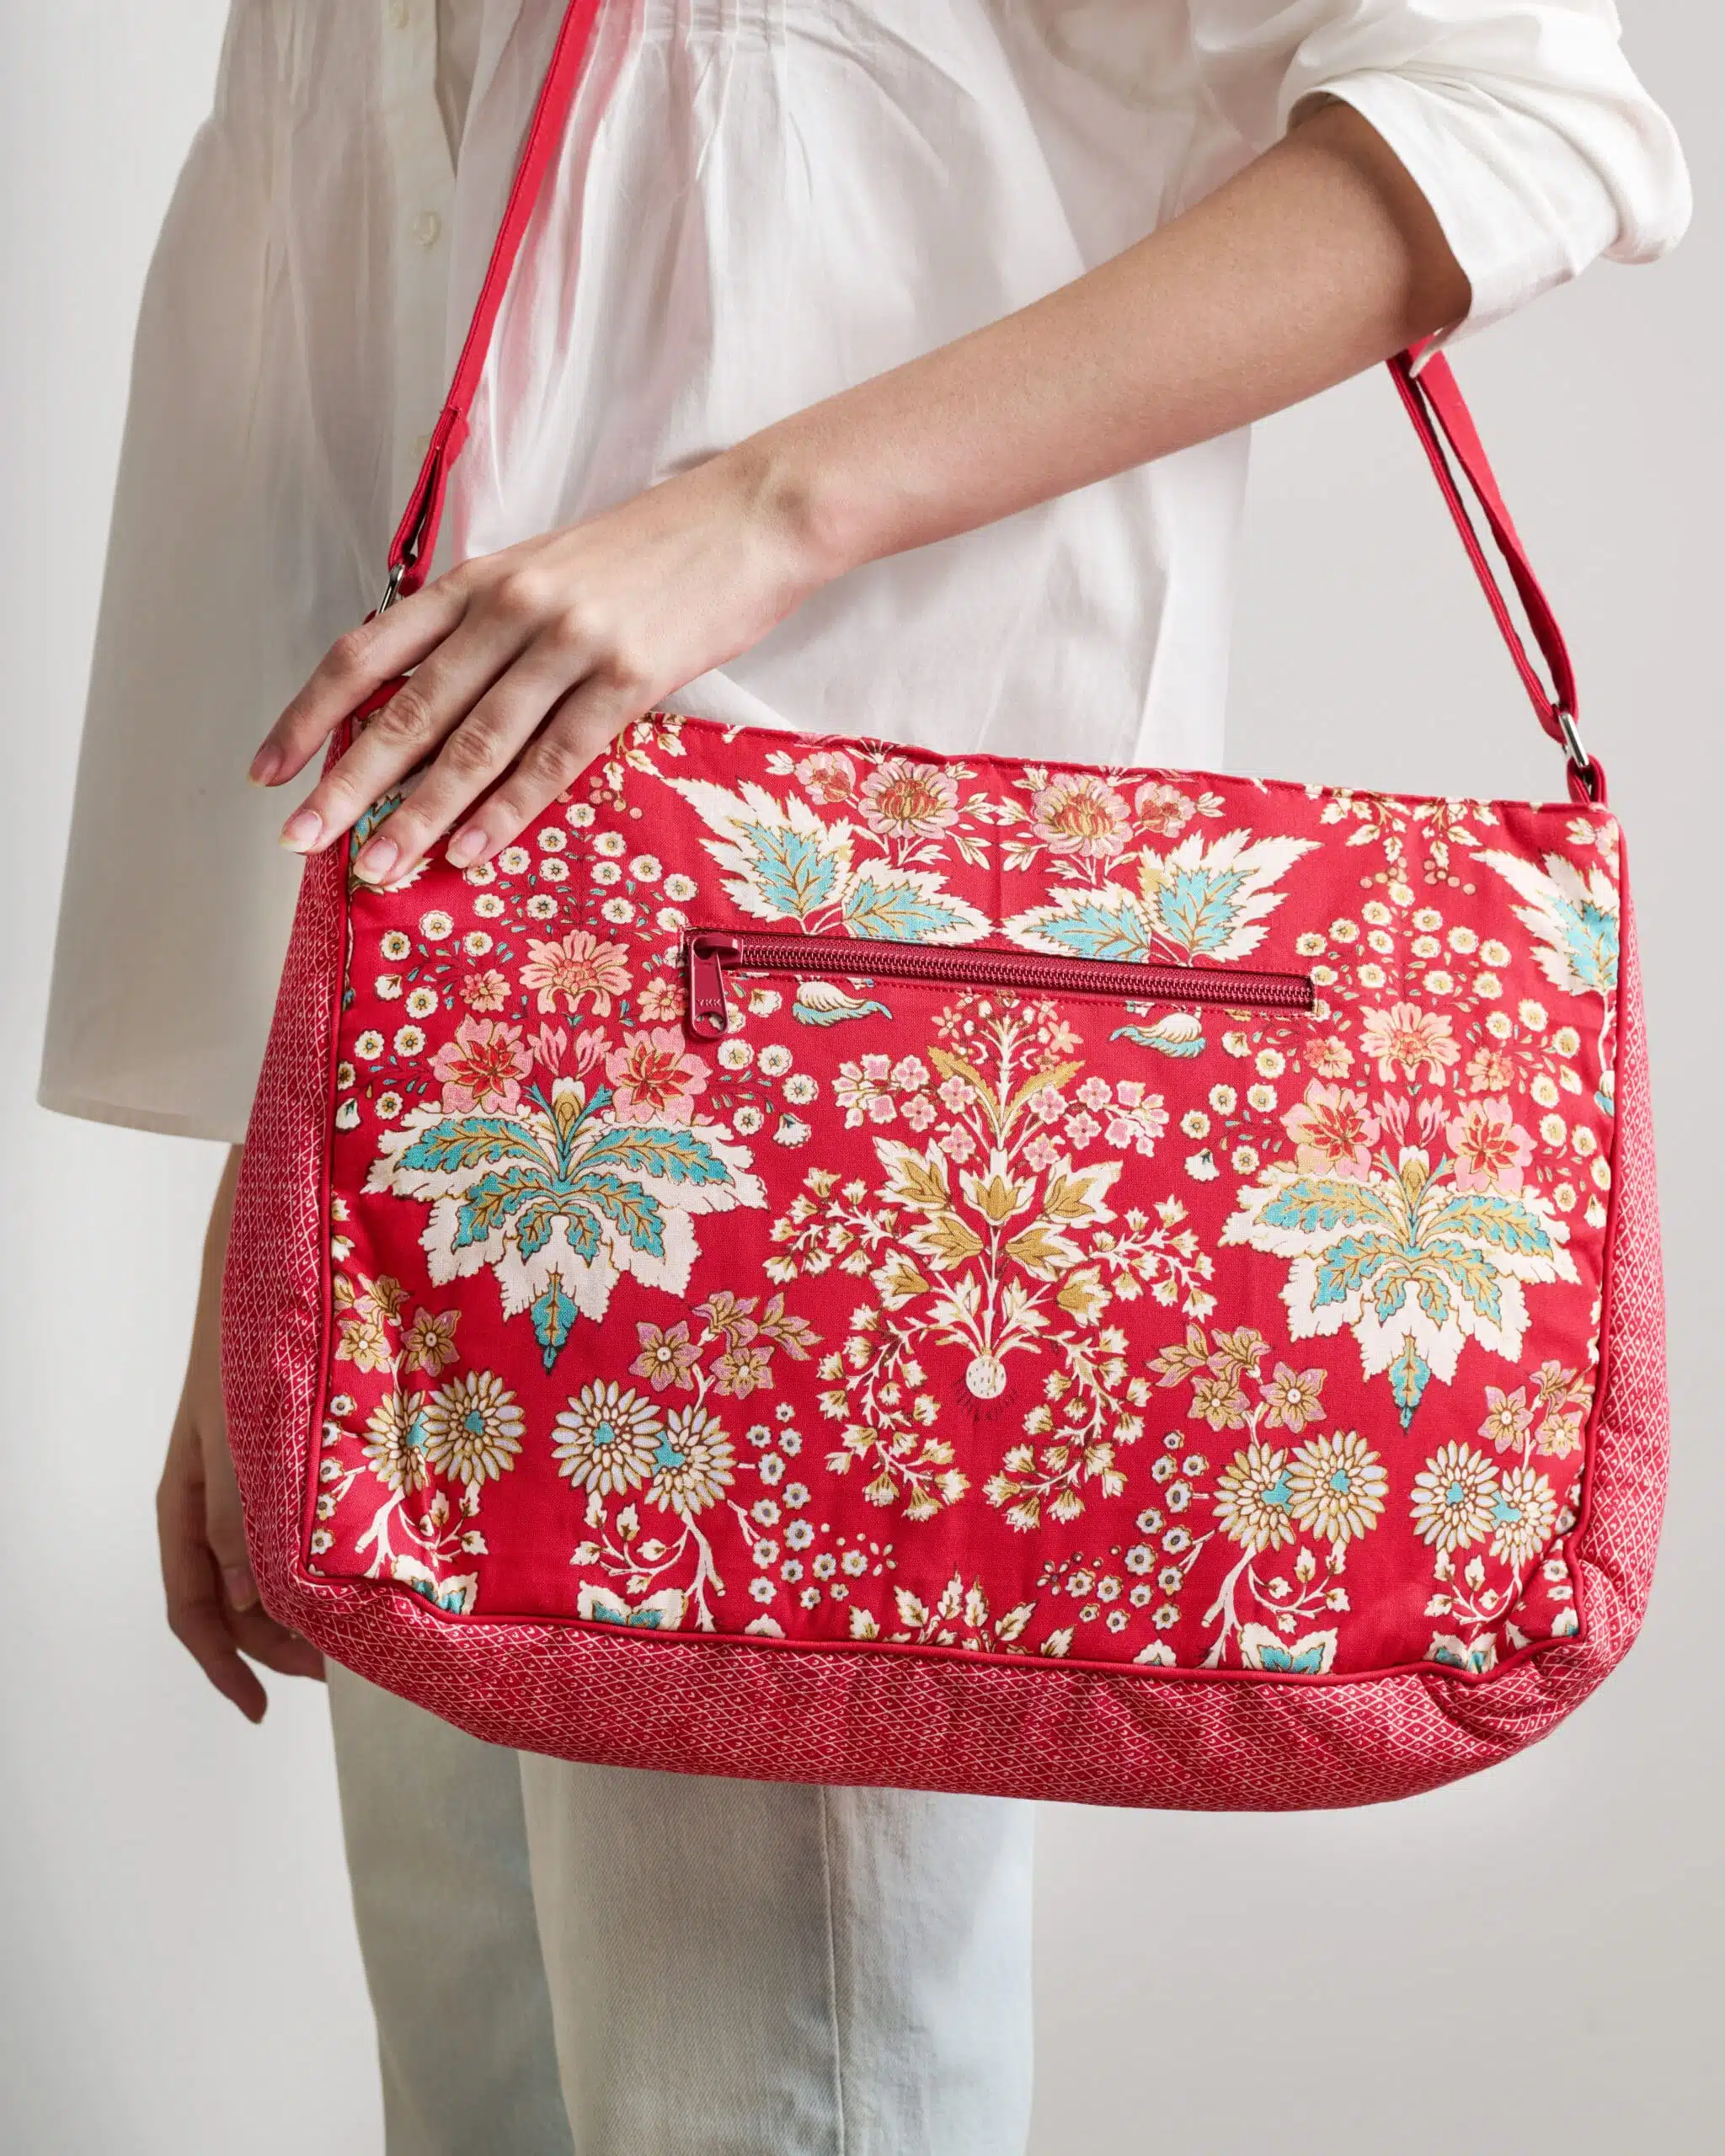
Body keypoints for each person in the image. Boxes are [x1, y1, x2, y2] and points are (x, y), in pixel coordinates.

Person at [41, 3, 1686, 2151]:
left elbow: (1522, 112)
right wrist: (283, 1200)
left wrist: (760, 511)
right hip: (453, 1144)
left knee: (757, 2086)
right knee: (484, 2085)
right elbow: (338, 451)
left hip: (869, 1160)